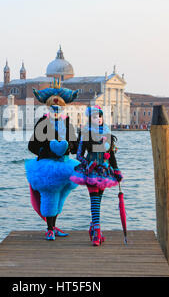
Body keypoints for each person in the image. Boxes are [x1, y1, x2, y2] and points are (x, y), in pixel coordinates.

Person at [25, 80, 80, 241]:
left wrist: (70, 147)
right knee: (50, 196)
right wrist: (47, 149)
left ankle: (54, 226)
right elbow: (32, 145)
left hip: (64, 165)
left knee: (60, 197)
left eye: (59, 108)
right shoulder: (43, 123)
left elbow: (75, 145)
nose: (56, 110)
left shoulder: (67, 124)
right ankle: (49, 228)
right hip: (47, 166)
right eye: (53, 108)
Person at [70, 105, 123, 246]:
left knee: (98, 200)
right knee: (94, 199)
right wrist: (88, 163)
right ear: (90, 119)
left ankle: (93, 227)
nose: (98, 119)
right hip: (91, 171)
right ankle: (97, 233)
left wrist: (117, 170)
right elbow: (79, 155)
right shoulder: (85, 134)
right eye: (94, 117)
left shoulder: (107, 133)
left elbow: (111, 155)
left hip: (105, 172)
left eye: (100, 116)